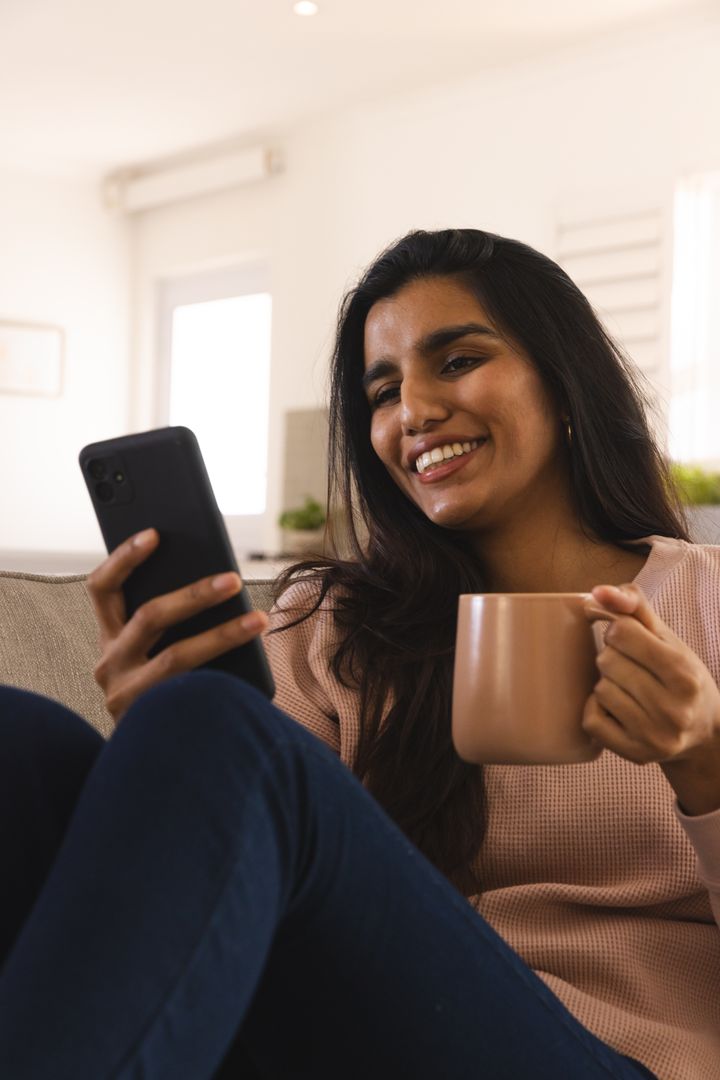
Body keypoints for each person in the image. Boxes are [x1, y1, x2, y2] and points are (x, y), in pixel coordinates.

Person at [1, 228, 718, 1079]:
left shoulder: (705, 601)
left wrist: (704, 759)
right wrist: (153, 724)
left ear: (565, 382)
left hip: (602, 1058)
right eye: (383, 392)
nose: (412, 412)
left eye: (455, 362)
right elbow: (242, 883)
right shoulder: (334, 623)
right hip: (350, 1034)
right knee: (22, 741)